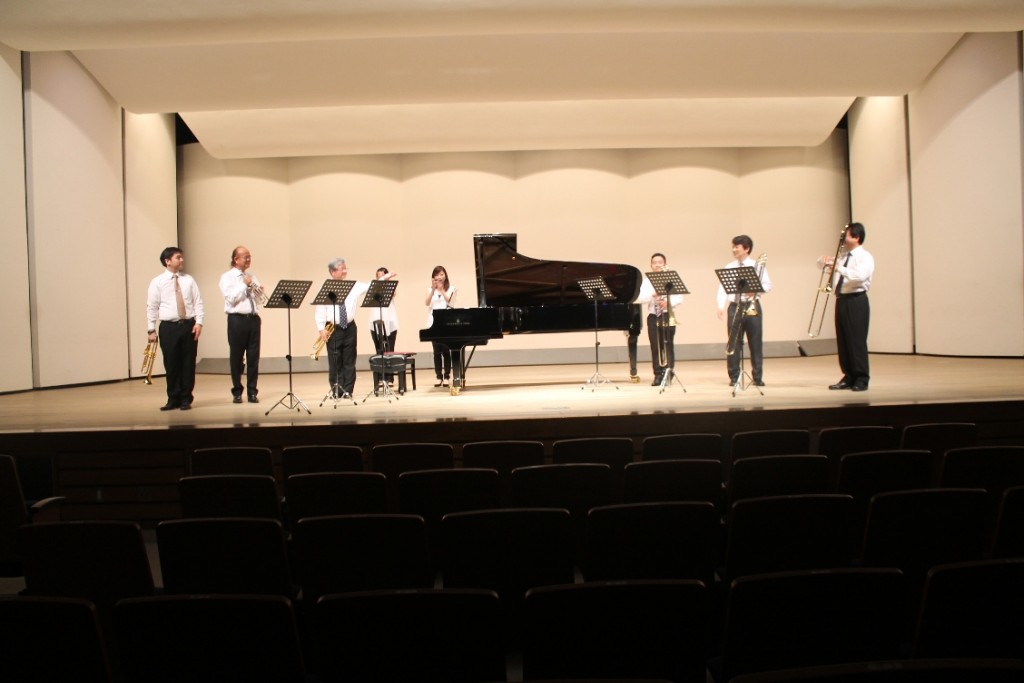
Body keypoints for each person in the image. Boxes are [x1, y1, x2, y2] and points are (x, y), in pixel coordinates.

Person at [314, 258, 385, 399]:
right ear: (333, 272)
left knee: (349, 360)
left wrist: (385, 277)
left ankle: (348, 390)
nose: (345, 271)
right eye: (342, 269)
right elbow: (320, 309)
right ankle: (337, 390)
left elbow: (370, 286)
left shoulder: (353, 286)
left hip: (350, 327)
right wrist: (321, 328)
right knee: (335, 361)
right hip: (333, 328)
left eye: (346, 268)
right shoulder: (326, 288)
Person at [146, 247, 204, 411]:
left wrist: (199, 323)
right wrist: (151, 329)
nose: (182, 260)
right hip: (169, 327)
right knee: (171, 364)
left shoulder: (189, 280)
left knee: (188, 364)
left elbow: (198, 302)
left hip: (188, 325)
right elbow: (152, 306)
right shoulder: (157, 282)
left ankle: (186, 398)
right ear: (167, 261)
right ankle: (173, 398)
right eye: (178, 257)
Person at [819, 222, 874, 391]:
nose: (843, 238)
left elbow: (859, 276)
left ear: (856, 237)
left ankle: (861, 378)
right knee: (843, 340)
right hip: (841, 299)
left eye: (847, 235)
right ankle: (848, 375)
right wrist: (823, 261)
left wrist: (839, 268)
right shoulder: (843, 256)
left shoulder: (864, 257)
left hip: (856, 300)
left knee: (856, 340)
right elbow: (823, 267)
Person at [716, 235, 772, 386]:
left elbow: (768, 285)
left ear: (746, 249)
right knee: (733, 343)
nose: (734, 250)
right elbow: (722, 288)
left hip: (752, 305)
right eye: (733, 247)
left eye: (737, 247)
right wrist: (721, 305)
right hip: (735, 306)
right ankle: (734, 377)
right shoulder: (729, 266)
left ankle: (757, 377)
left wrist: (755, 290)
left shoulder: (756, 265)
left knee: (755, 342)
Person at [219, 246, 263, 403]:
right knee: (236, 357)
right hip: (237, 320)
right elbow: (231, 298)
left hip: (253, 319)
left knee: (253, 357)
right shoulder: (227, 277)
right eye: (245, 257)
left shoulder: (251, 276)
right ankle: (237, 391)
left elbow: (259, 300)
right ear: (236, 259)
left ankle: (252, 392)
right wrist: (245, 285)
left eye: (249, 256)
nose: (249, 259)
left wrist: (258, 292)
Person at [636, 253, 684, 386]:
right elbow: (640, 298)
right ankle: (658, 374)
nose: (657, 265)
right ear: (651, 265)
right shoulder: (647, 281)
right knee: (655, 346)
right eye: (654, 262)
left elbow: (680, 297)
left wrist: (668, 302)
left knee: (668, 345)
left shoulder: (671, 279)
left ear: (665, 264)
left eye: (660, 262)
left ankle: (669, 373)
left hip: (667, 314)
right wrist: (653, 295)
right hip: (653, 315)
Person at [425, 265, 456, 387]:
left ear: (445, 276)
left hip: (446, 323)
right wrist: (433, 289)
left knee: (446, 351)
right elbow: (427, 303)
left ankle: (447, 376)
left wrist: (442, 290)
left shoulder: (451, 288)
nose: (439, 277)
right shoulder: (430, 290)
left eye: (442, 274)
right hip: (433, 323)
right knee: (436, 352)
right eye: (437, 275)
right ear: (433, 277)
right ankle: (438, 376)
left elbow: (451, 302)